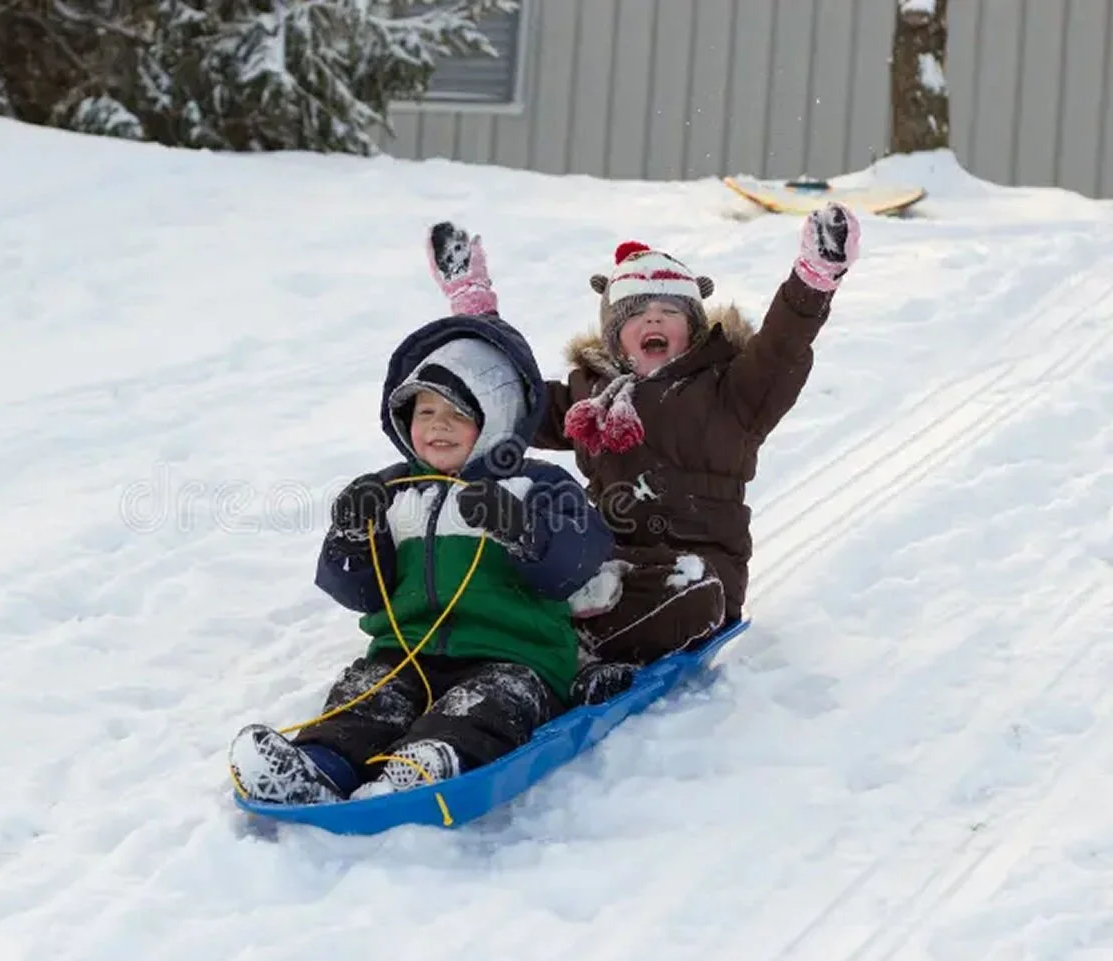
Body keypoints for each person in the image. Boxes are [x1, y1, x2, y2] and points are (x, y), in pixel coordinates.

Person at [425, 204, 861, 703]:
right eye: (635, 310)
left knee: (697, 597)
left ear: (693, 328)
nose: (653, 316)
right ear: (614, 335)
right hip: (597, 564)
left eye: (670, 309)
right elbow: (510, 396)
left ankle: (572, 649)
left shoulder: (734, 390)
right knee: (523, 534)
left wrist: (814, 278)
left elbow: (783, 346)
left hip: (691, 568)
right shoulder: (590, 395)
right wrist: (473, 305)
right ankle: (506, 628)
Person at [228, 311, 613, 804]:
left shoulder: (533, 486)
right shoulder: (391, 491)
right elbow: (362, 592)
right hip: (405, 652)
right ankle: (318, 767)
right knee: (368, 696)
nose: (438, 427)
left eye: (458, 415)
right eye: (426, 413)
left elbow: (578, 558)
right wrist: (351, 536)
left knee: (485, 707)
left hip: (516, 657)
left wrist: (519, 529)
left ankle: (425, 766)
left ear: (497, 418)